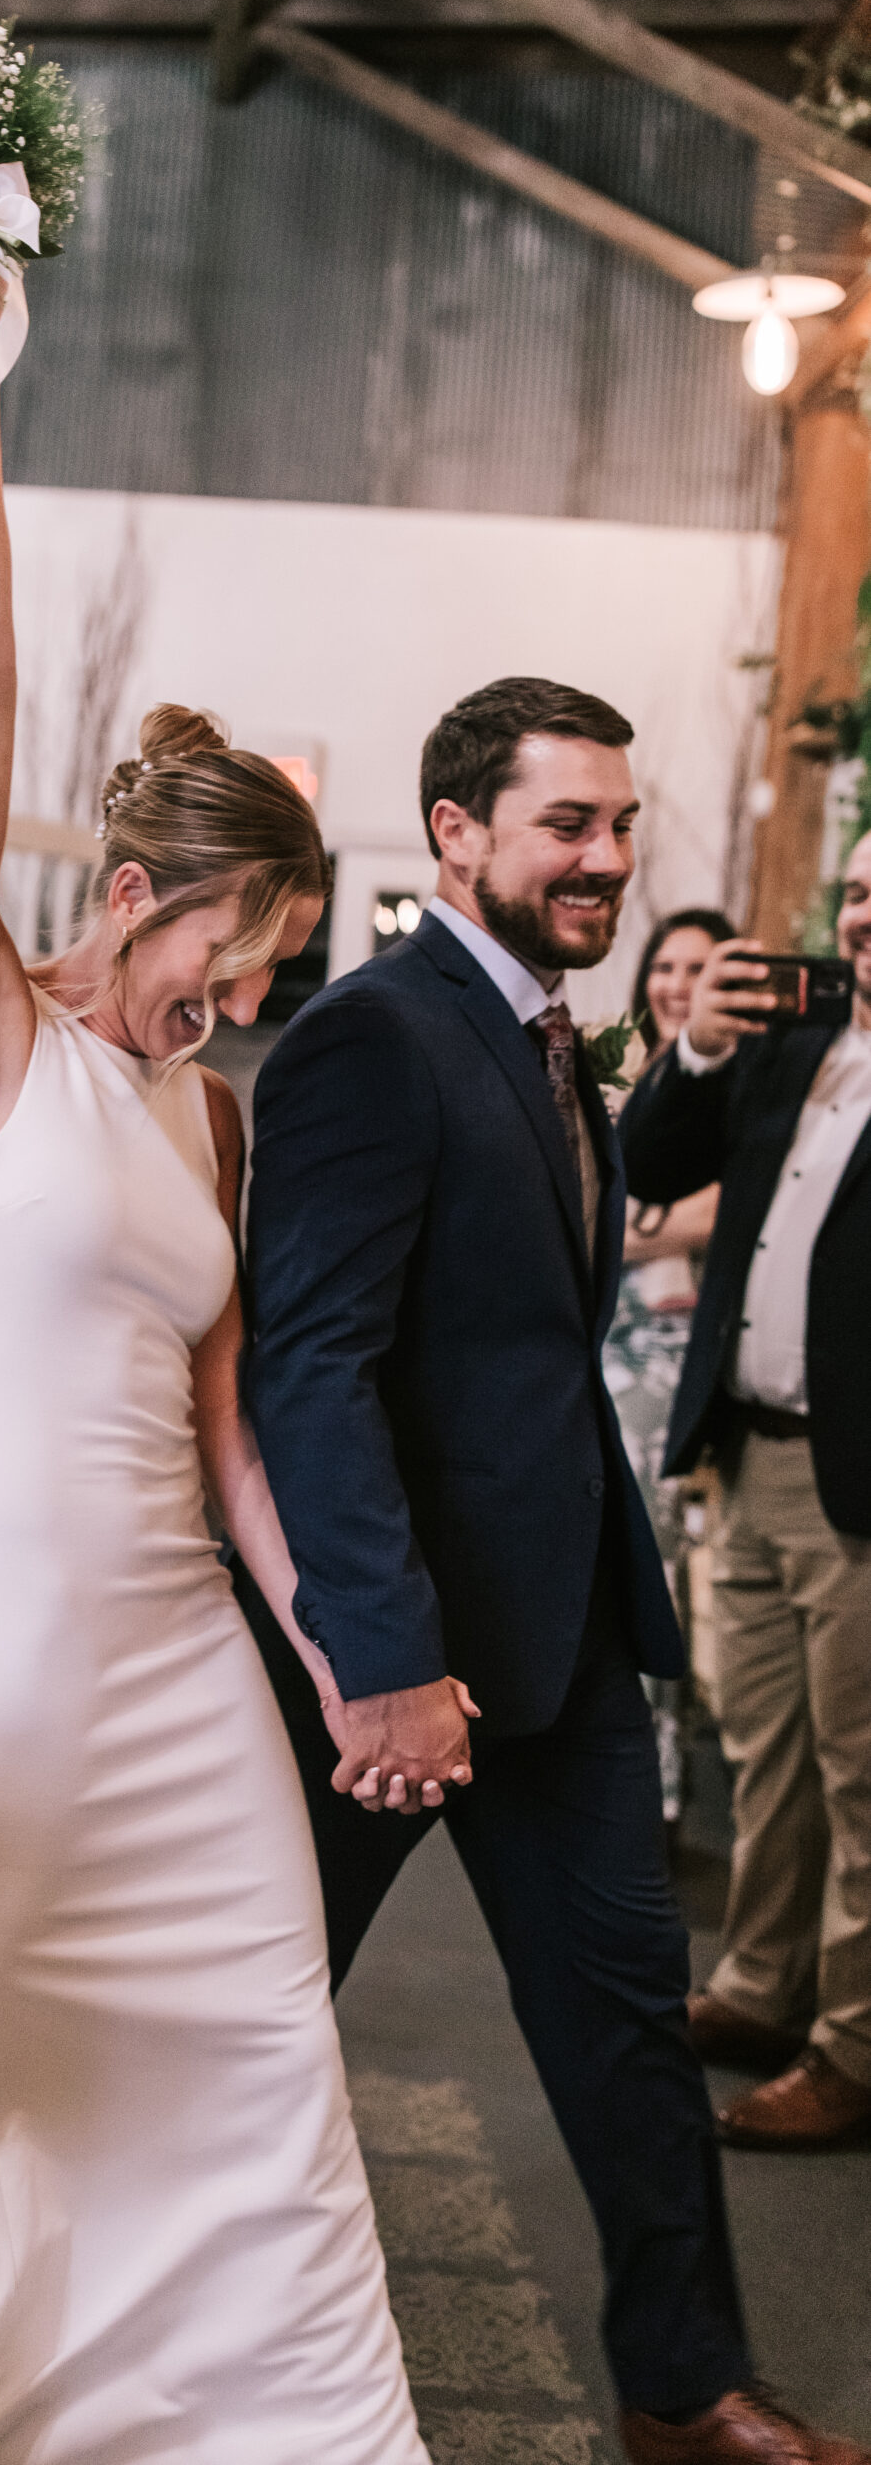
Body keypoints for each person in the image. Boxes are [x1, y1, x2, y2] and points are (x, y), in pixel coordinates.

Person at [0, 153, 442, 2464]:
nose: (240, 998)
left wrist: (327, 1655)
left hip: (182, 1661)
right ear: (154, 890)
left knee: (263, 2053)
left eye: (275, 973)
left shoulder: (214, 1122)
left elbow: (229, 1435)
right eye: (226, 953)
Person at [239, 678, 868, 2464]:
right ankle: (116, 2329)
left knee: (628, 2035)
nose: (607, 858)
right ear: (457, 835)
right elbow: (312, 1366)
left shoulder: (538, 1032)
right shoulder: (378, 1036)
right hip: (391, 1660)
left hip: (566, 1645)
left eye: (617, 824)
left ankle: (687, 2385)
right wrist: (373, 1658)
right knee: (253, 2006)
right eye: (566, 827)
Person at [621, 835, 871, 2154]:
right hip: (752, 1446)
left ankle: (850, 2047)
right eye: (856, 890)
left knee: (859, 1774)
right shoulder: (789, 1045)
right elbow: (649, 1163)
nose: (863, 914)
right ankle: (761, 1987)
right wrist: (700, 1049)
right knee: (761, 1749)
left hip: (858, 1481)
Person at [602, 909, 734, 1817]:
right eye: (664, 965)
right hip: (598, 1339)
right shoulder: (611, 1068)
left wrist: (631, 1222)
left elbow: (718, 1215)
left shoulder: (739, 1083)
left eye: (698, 966)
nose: (675, 983)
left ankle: (656, 1788)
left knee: (659, 1567)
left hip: (681, 1352)